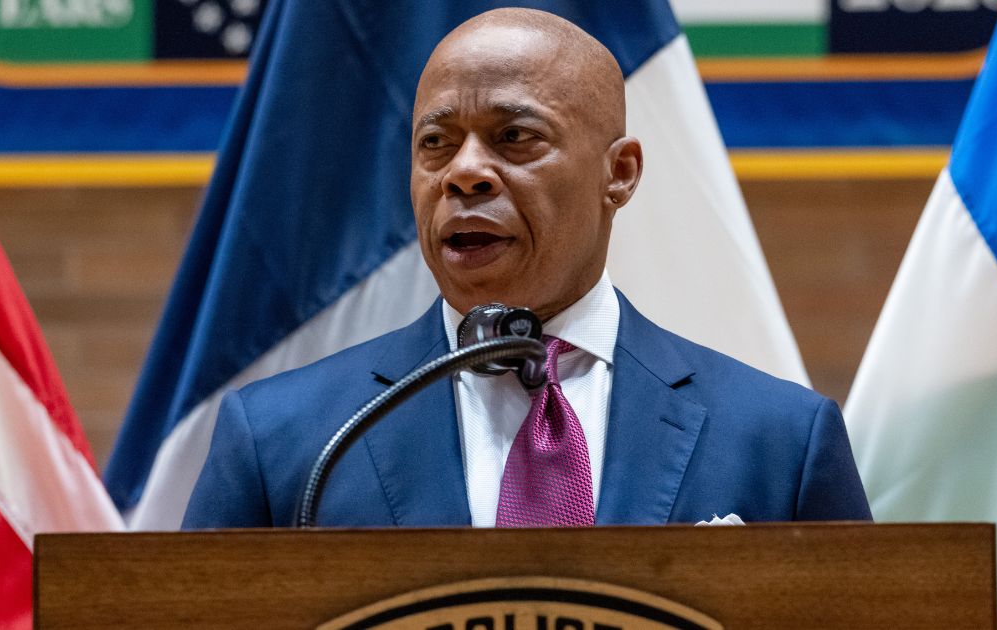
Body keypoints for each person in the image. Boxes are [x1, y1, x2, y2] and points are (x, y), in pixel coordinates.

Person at [182, 8, 871, 529]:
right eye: (435, 144)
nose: (466, 173)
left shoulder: (779, 440)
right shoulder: (282, 440)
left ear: (620, 173)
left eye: (515, 138)